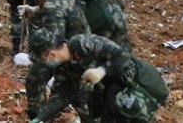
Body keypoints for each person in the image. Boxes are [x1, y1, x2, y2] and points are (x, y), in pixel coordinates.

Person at [31, 33, 169, 123]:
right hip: (105, 100)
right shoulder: (63, 68)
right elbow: (61, 95)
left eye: (43, 59)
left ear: (50, 55)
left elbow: (122, 56)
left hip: (132, 89)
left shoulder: (82, 43)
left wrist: (102, 70)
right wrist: (40, 118)